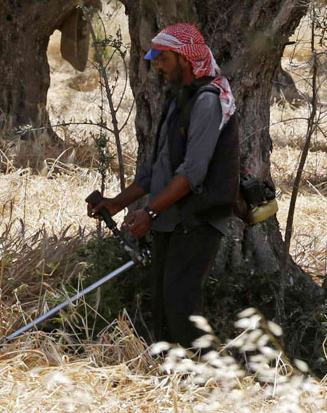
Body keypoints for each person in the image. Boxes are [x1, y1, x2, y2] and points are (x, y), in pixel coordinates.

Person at [89, 23, 240, 349]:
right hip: (172, 219)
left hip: (197, 220)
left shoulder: (207, 102)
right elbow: (154, 171)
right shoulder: (178, 100)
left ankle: (200, 381)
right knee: (161, 301)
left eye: (162, 58)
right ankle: (171, 381)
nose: (156, 64)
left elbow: (192, 173)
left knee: (180, 304)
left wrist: (150, 213)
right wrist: (116, 203)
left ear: (185, 60)